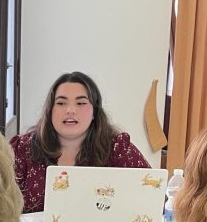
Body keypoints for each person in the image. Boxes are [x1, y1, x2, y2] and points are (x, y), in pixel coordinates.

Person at [11, 71, 150, 213]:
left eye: (81, 103)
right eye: (61, 103)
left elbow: (151, 193)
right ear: (50, 111)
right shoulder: (23, 148)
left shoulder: (118, 148)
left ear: (94, 112)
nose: (70, 110)